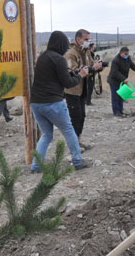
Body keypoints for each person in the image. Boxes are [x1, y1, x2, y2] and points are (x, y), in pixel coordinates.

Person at [29, 31, 90, 172]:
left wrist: (74, 73)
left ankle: (36, 166)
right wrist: (80, 75)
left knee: (46, 135)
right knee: (69, 130)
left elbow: (56, 77)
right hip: (52, 102)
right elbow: (67, 83)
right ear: (61, 44)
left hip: (36, 103)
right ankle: (77, 161)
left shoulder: (44, 57)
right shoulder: (59, 59)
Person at [64, 29, 103, 148]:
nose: (88, 41)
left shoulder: (85, 52)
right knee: (75, 118)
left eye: (89, 39)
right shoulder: (71, 54)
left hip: (82, 89)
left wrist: (98, 66)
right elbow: (74, 71)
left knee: (81, 117)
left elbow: (91, 66)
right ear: (78, 39)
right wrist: (92, 69)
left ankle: (78, 141)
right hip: (72, 91)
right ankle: (73, 146)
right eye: (86, 39)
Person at [107, 46, 135, 117]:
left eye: (128, 54)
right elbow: (115, 72)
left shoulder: (128, 58)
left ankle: (121, 111)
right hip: (114, 81)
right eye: (126, 54)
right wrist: (123, 78)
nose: (127, 55)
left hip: (122, 81)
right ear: (121, 53)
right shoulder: (116, 60)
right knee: (115, 97)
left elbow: (132, 66)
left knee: (121, 96)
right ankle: (116, 112)